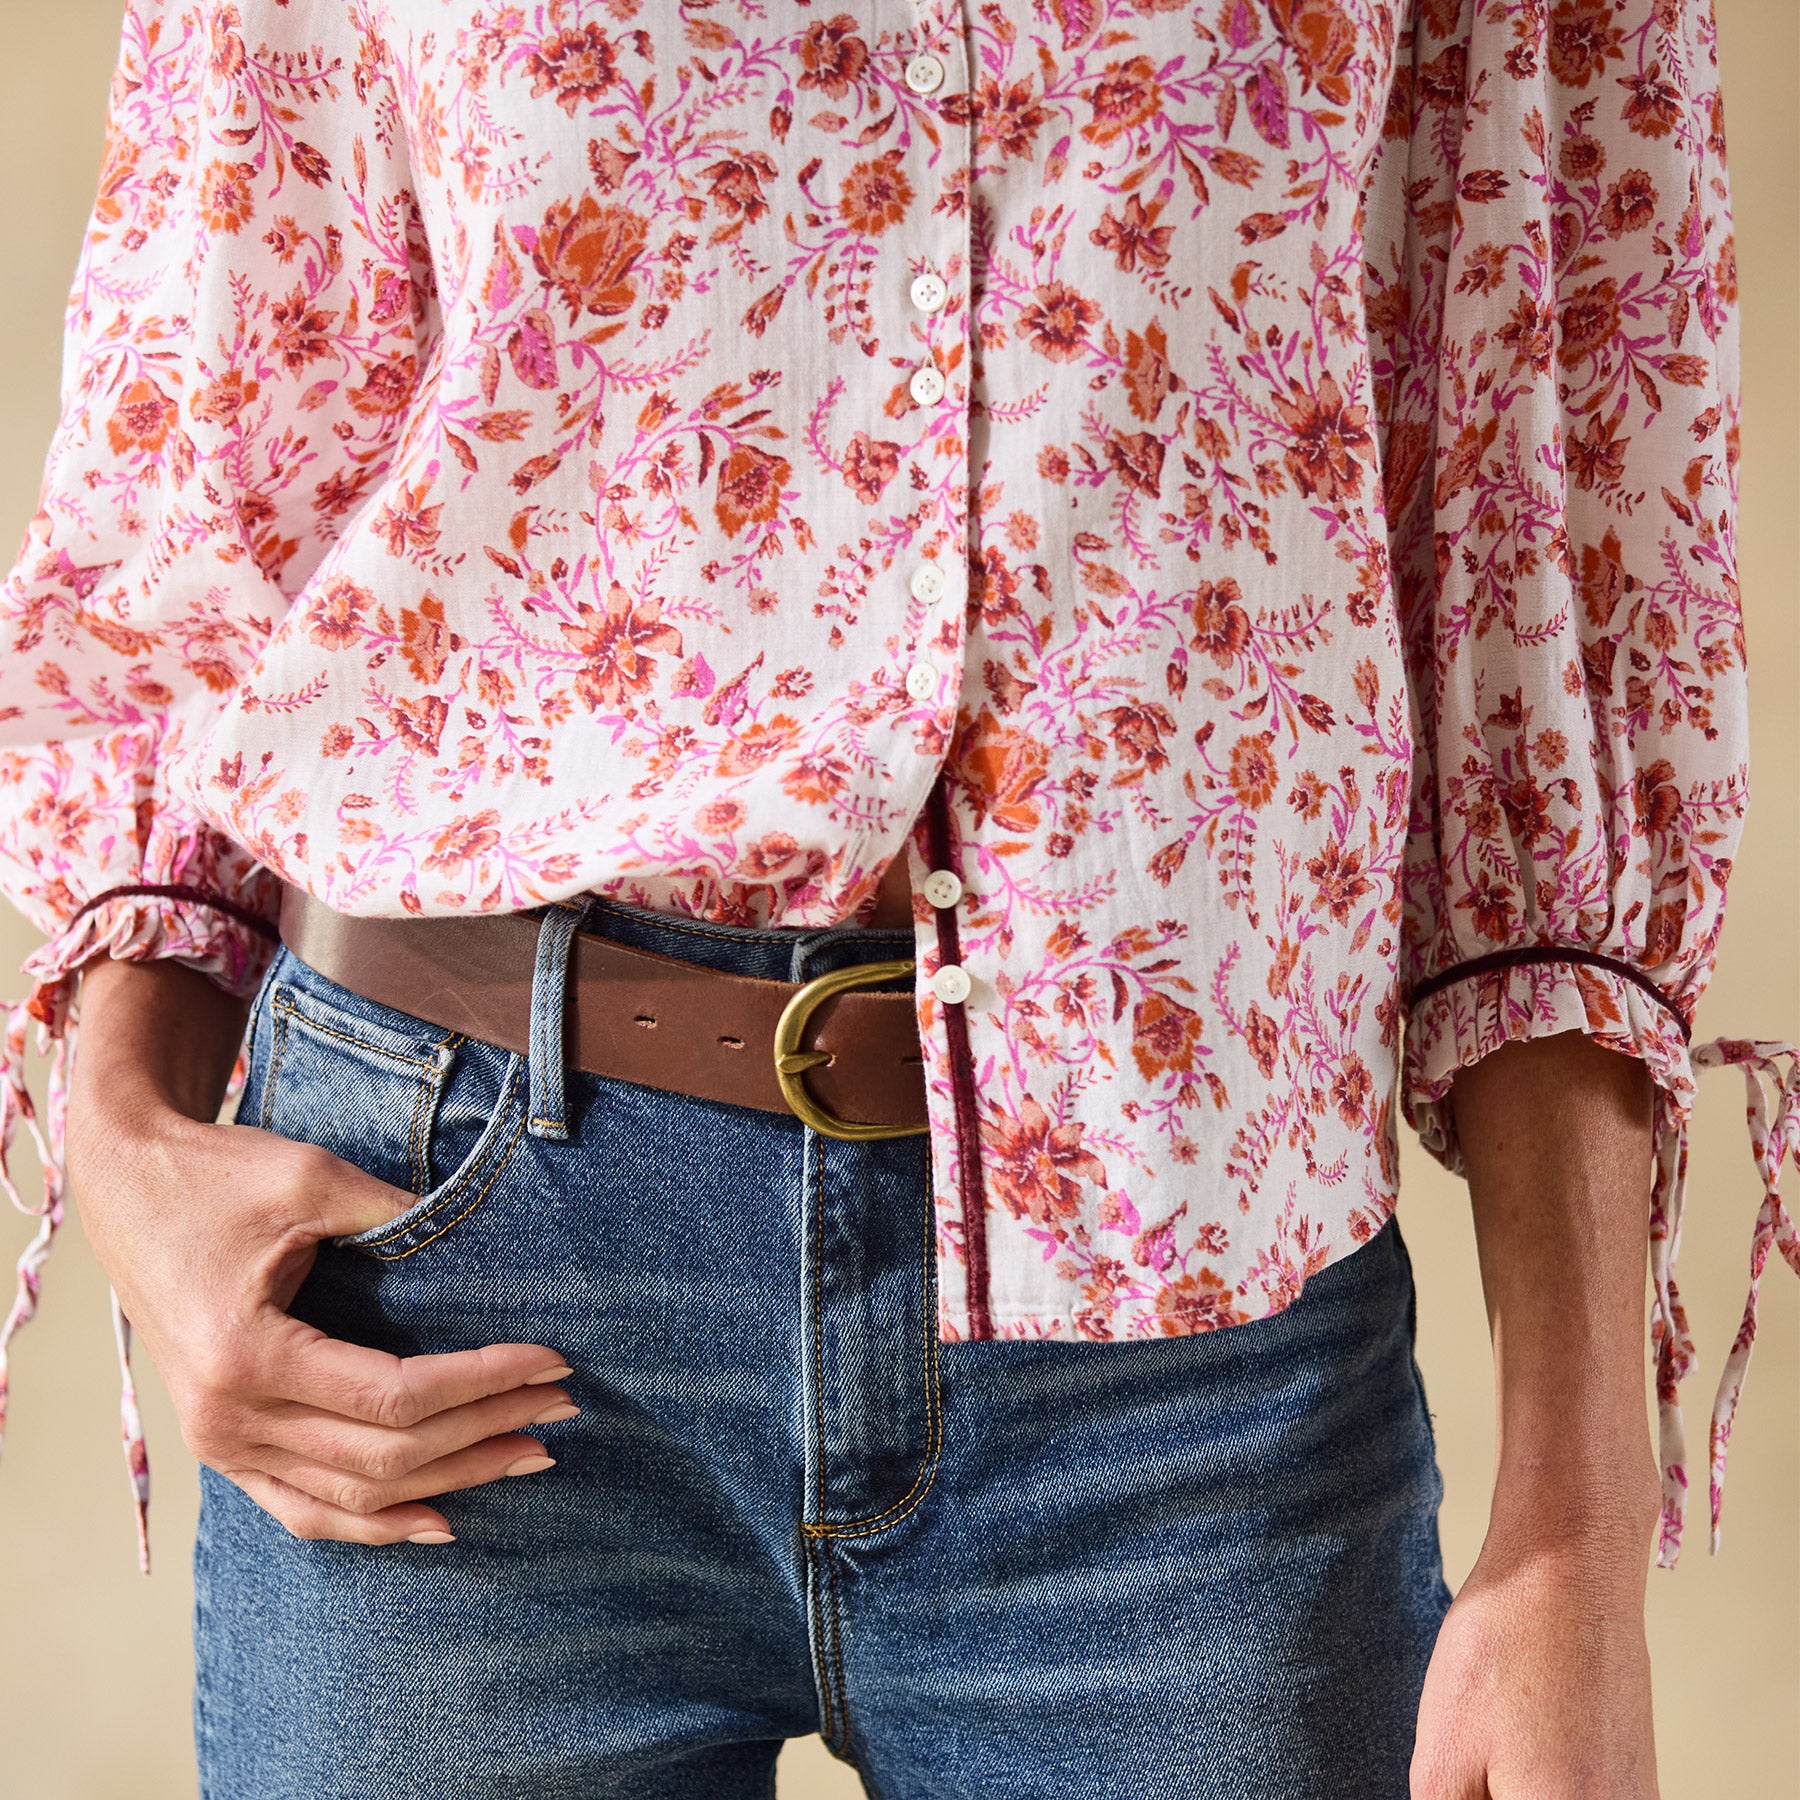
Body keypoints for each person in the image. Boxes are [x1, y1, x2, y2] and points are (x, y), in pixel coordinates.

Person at [0, 1, 1790, 1795]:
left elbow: (1547, 549)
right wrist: (127, 1134)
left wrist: (1574, 1537)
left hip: (1185, 1342)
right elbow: (206, 446)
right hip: (448, 1261)